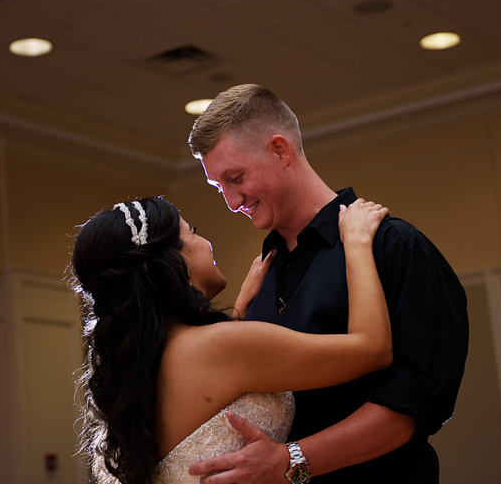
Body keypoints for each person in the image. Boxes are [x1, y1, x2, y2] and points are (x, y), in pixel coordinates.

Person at [186, 84, 469, 484]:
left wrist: (290, 461)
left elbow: (414, 403)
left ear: (280, 150)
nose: (232, 202)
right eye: (220, 189)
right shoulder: (262, 273)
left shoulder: (394, 246)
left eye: (236, 178)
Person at [71, 195, 394, 484]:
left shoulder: (136, 367)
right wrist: (357, 243)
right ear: (170, 261)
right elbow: (372, 349)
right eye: (193, 232)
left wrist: (238, 308)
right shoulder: (225, 347)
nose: (206, 242)